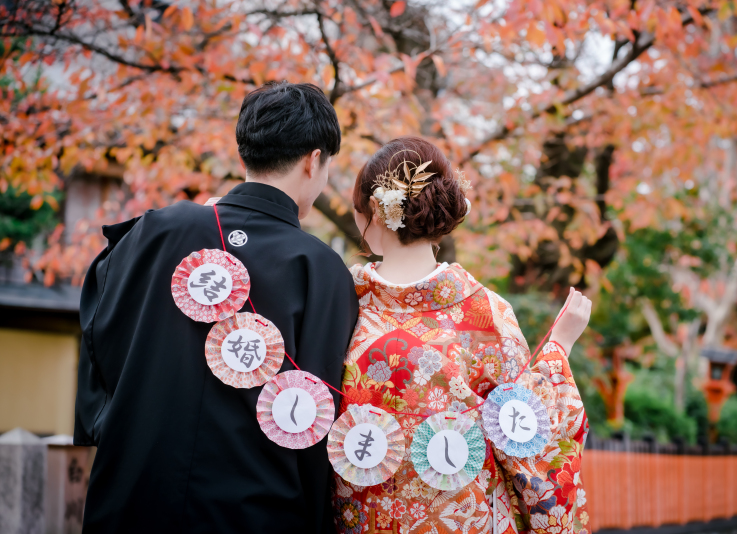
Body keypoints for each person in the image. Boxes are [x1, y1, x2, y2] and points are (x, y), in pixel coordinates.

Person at [74, 82, 359, 533]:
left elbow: (96, 329)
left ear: (245, 151)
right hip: (257, 510)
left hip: (134, 495)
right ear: (314, 160)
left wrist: (105, 424)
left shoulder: (155, 231)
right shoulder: (320, 268)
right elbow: (319, 414)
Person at [333, 136, 592, 534]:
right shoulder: (486, 313)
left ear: (373, 209)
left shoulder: (341, 304)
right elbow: (526, 433)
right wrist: (561, 346)